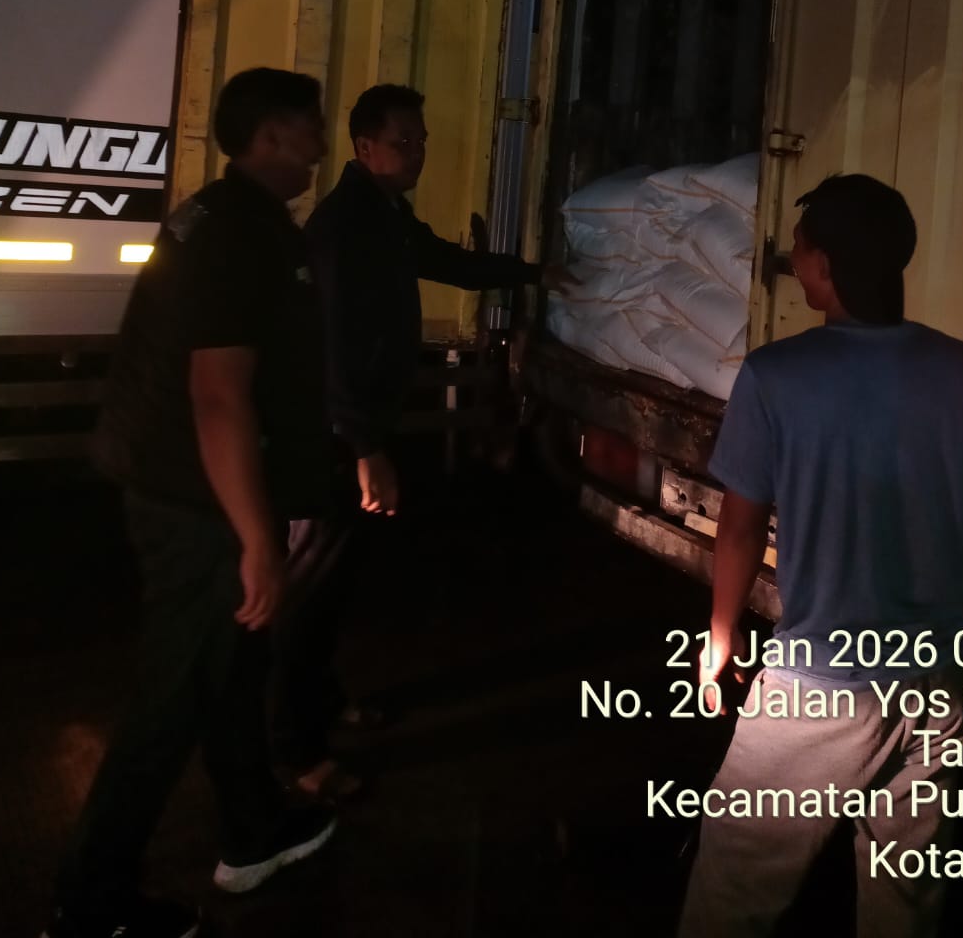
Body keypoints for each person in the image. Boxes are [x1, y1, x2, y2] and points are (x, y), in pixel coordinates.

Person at [44, 69, 338, 938]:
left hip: (180, 486)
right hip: (198, 504)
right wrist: (257, 540)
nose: (320, 141)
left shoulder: (218, 215)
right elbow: (218, 396)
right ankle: (90, 902)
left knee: (233, 669)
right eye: (311, 125)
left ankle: (255, 829)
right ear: (274, 135)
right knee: (172, 697)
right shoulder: (240, 235)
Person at [678, 173, 963, 938]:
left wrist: (720, 637)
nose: (791, 259)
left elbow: (739, 528)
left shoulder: (777, 375)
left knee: (729, 898)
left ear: (823, 265)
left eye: (798, 248)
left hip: (823, 685)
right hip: (940, 688)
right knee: (904, 908)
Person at [269, 82, 572, 796]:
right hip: (331, 436)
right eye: (403, 141)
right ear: (364, 146)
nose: (417, 153)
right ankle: (294, 752)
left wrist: (532, 273)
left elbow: (446, 261)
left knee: (334, 582)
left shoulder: (385, 215)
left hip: (354, 429)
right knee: (307, 589)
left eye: (422, 141)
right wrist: (363, 447)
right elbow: (334, 346)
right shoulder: (345, 227)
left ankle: (323, 703)